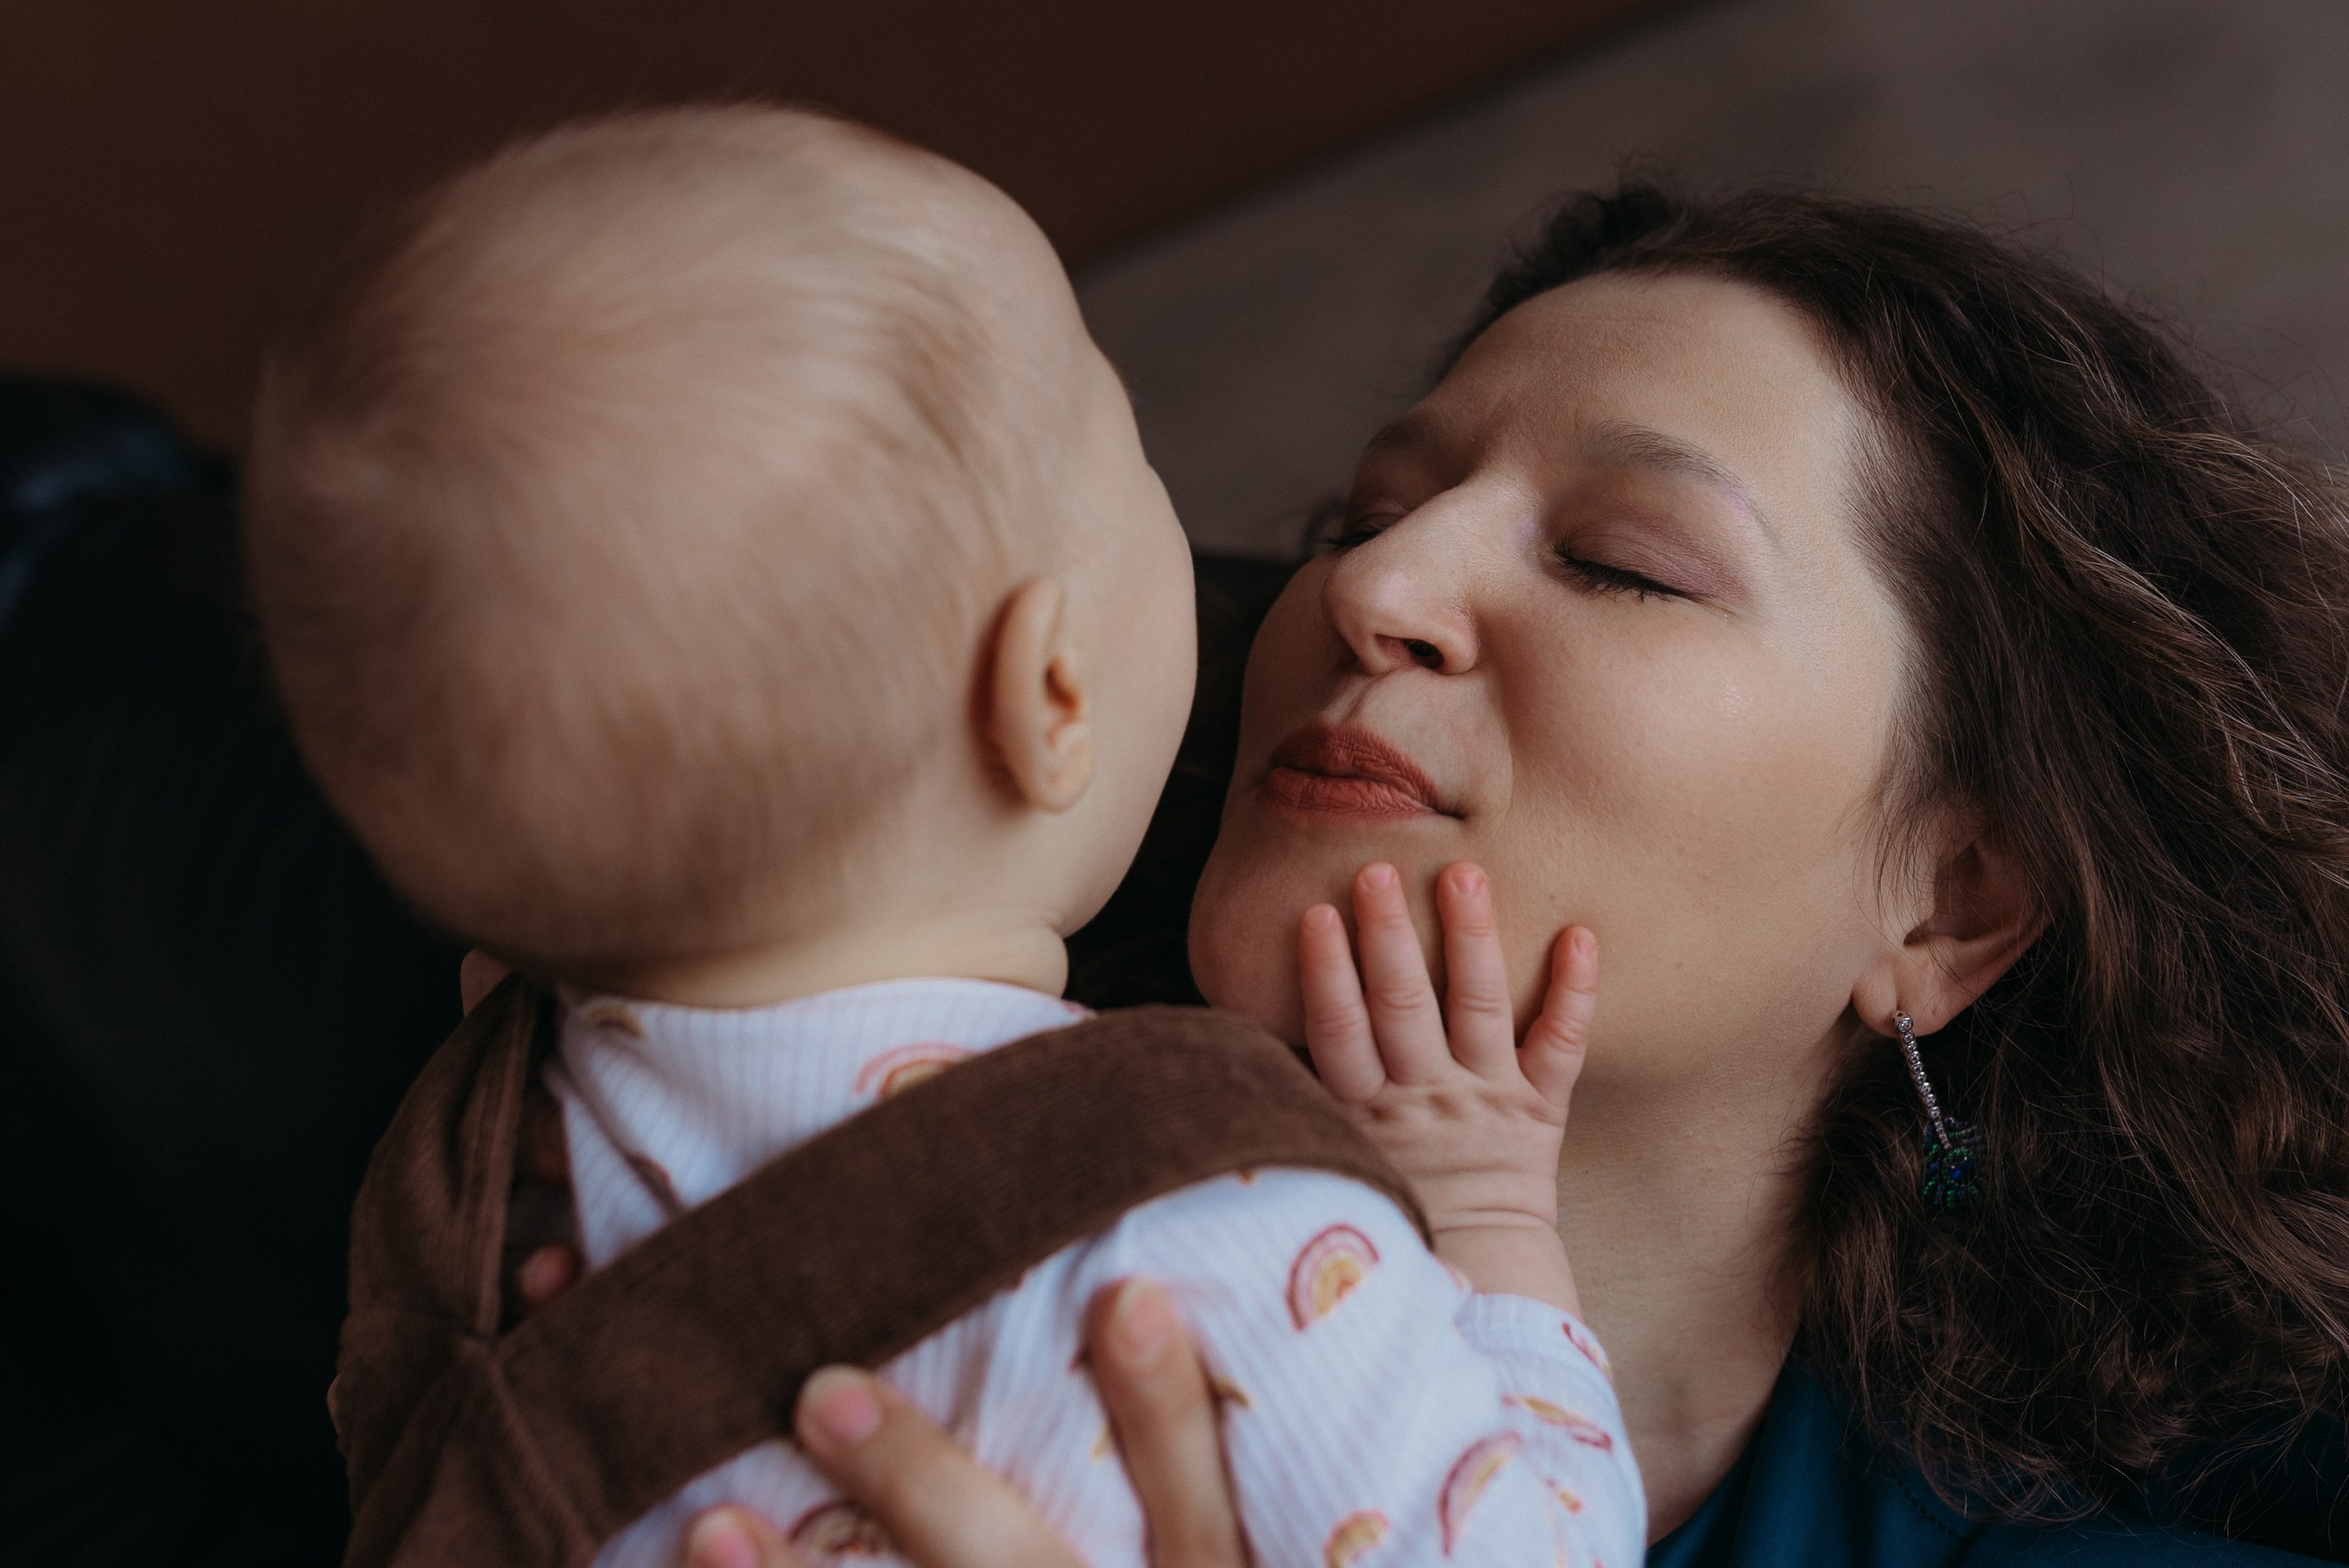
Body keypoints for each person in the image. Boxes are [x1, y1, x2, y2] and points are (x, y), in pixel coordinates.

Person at [651, 184, 2349, 1566]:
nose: (1375, 579)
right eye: (1356, 520)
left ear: (1950, 903)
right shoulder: (776, 1222)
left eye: (1621, 564)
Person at [247, 106, 1642, 1568]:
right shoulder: (1197, 1215)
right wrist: (1484, 1213)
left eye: (1619, 565)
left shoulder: (480, 1186)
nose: (1373, 584)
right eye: (1142, 470)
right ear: (1050, 693)